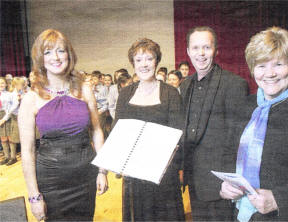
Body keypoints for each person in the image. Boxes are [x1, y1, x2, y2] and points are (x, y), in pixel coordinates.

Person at [18, 29, 108, 222]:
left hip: (85, 176)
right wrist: (34, 196)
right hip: (52, 182)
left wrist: (102, 170)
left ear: (69, 54)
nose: (56, 57)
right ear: (40, 59)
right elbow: (28, 152)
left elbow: (97, 131)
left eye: (61, 50)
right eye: (48, 52)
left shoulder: (85, 89)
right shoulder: (30, 99)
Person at [219, 27, 288, 221]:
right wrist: (224, 186)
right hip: (243, 216)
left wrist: (279, 200)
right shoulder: (244, 106)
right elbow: (228, 155)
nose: (270, 74)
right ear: (252, 69)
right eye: (261, 66)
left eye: (279, 64)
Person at [180, 26, 249, 221]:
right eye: (195, 48)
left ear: (216, 50)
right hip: (193, 181)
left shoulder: (235, 84)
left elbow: (239, 140)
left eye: (206, 48)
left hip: (222, 187)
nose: (200, 54)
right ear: (187, 52)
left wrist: (231, 182)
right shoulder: (185, 85)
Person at [114, 38, 185, 221]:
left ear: (157, 61)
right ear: (133, 64)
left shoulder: (171, 94)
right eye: (138, 60)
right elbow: (117, 134)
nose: (144, 65)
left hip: (163, 175)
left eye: (149, 59)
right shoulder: (125, 94)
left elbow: (178, 135)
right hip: (134, 177)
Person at [0, 77, 18, 165]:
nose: (1, 85)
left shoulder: (9, 94)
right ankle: (6, 157)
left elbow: (12, 108)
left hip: (8, 116)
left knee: (11, 137)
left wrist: (4, 118)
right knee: (3, 138)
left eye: (2, 83)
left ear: (6, 84)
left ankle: (13, 157)